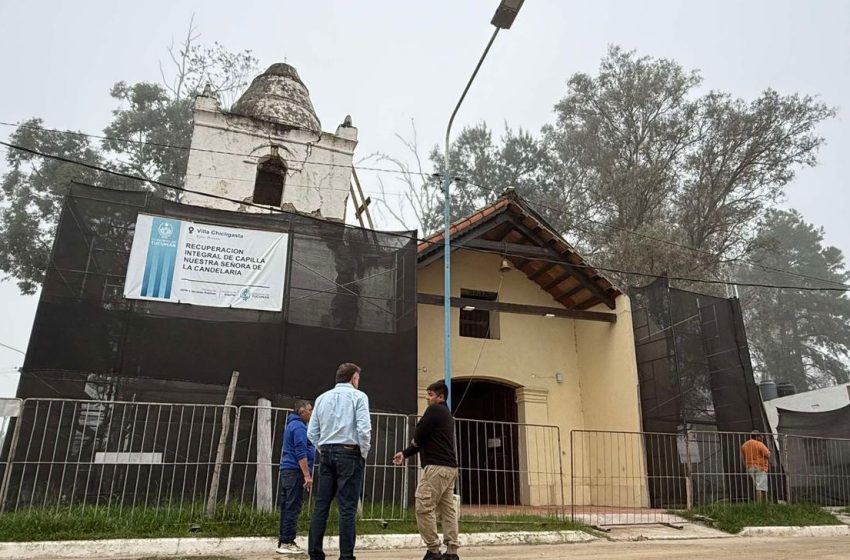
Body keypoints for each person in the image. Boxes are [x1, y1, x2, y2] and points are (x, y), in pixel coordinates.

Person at [307, 363, 372, 560]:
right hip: (350, 452)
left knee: (321, 505)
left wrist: (323, 448)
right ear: (353, 378)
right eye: (358, 379)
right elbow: (363, 429)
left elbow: (312, 433)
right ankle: (346, 556)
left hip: (326, 452)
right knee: (347, 508)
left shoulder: (322, 398)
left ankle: (315, 554)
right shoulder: (359, 397)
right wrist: (363, 452)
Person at [393, 380, 459, 560]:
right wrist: (405, 453)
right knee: (447, 510)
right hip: (449, 468)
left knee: (423, 505)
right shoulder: (446, 414)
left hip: (436, 468)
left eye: (430, 395)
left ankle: (433, 550)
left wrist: (410, 447)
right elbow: (422, 439)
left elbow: (420, 432)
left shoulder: (435, 410)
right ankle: (452, 552)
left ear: (441, 397)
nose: (427, 399)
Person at [277, 399, 316, 555]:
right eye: (310, 410)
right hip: (295, 471)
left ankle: (283, 539)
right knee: (293, 506)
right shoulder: (299, 427)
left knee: (286, 506)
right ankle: (287, 541)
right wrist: (307, 475)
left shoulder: (291, 425)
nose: (312, 413)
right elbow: (301, 452)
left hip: (287, 470)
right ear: (302, 412)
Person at [741, 430, 771, 503]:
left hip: (750, 467)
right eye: (761, 436)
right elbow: (768, 455)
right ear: (758, 437)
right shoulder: (760, 444)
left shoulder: (744, 445)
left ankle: (762, 503)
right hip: (760, 467)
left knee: (757, 485)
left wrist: (747, 466)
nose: (762, 437)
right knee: (760, 487)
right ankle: (761, 504)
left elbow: (742, 458)